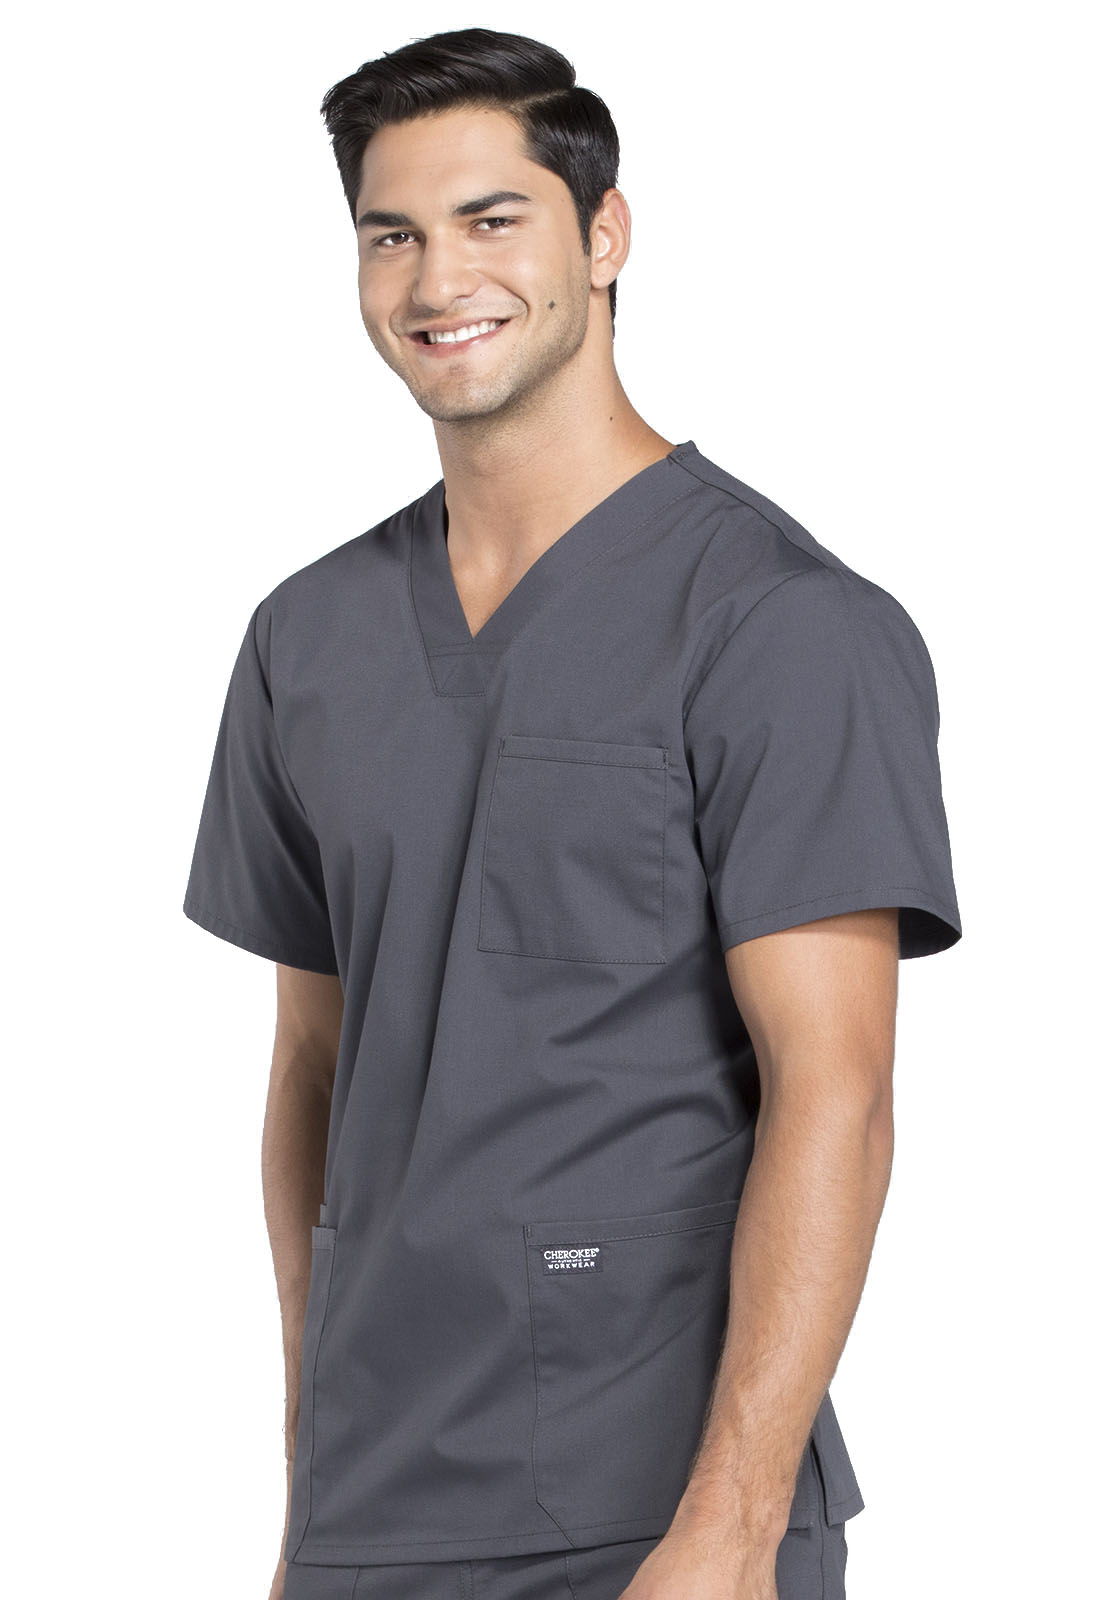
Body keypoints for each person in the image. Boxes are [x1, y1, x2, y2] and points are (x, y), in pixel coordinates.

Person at [182, 26, 962, 1600]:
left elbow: (840, 1090)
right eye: (391, 235)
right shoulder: (306, 638)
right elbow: (317, 1070)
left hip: (651, 1507)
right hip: (374, 1515)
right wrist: (311, 1485)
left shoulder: (780, 625)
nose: (437, 279)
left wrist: (730, 1530)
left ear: (604, 236)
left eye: (493, 220)